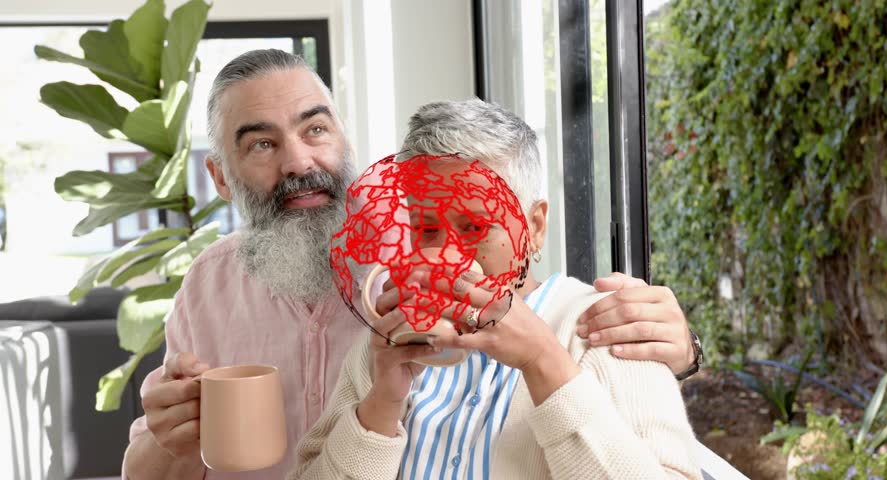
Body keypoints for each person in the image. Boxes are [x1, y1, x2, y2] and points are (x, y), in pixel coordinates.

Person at [121, 49, 699, 479]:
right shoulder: (215, 287)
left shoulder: (581, 324)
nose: (299, 161)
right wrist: (171, 438)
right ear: (221, 177)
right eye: (262, 144)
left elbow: (549, 299)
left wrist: (682, 348)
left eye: (315, 129)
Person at [287, 99, 701, 480]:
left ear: (534, 227)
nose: (447, 253)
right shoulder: (386, 345)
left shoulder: (606, 328)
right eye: (426, 228)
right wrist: (381, 403)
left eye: (474, 227)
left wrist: (544, 362)